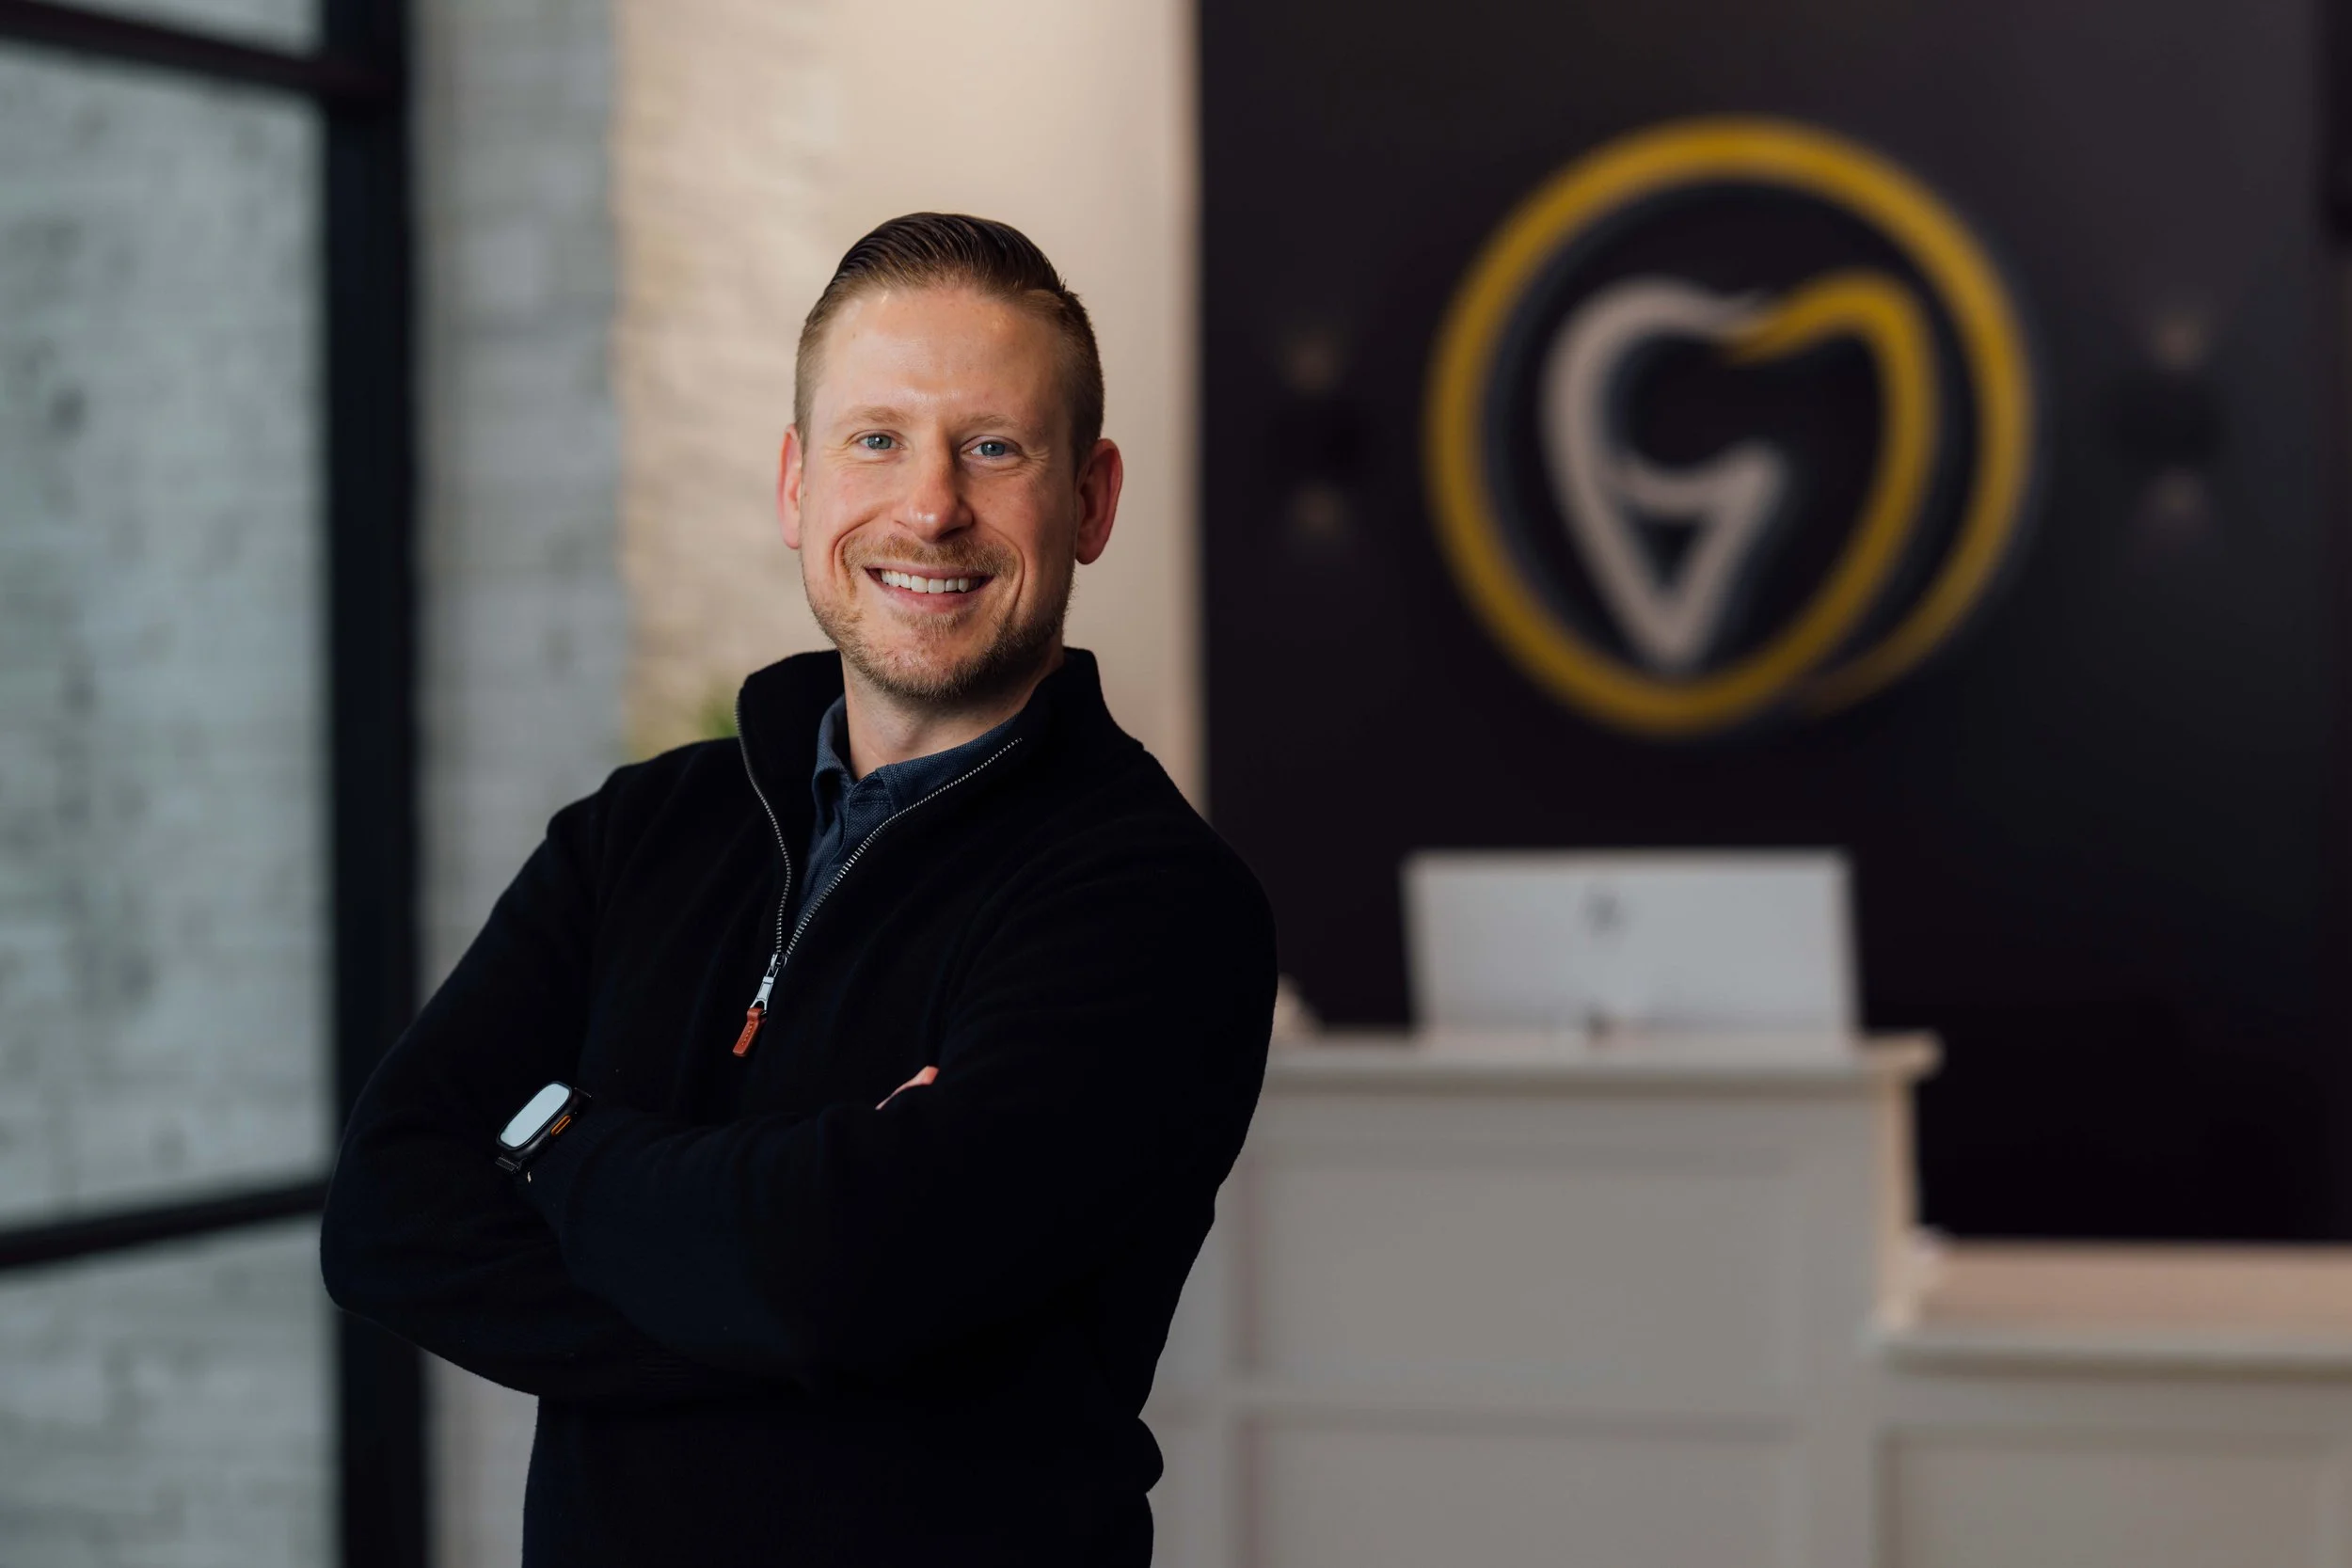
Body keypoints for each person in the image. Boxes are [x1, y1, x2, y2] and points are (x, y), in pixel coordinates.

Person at [320, 213, 1277, 1567]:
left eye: (992, 447)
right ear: (795, 485)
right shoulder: (637, 831)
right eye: (876, 438)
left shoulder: (1157, 905)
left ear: (1090, 498)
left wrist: (552, 1143)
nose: (930, 505)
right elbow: (385, 1217)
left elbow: (837, 1277)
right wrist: (799, 1288)